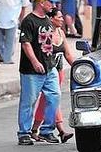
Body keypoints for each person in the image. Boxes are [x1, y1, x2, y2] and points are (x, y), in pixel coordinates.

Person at [16, 0, 62, 145]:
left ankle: (47, 130)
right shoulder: (29, 21)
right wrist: (35, 62)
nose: (53, 5)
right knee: (28, 101)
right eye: (50, 2)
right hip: (31, 71)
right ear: (41, 3)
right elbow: (26, 44)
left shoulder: (48, 21)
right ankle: (24, 132)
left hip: (50, 68)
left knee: (54, 96)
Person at [31, 8, 76, 143]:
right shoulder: (46, 33)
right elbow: (43, 53)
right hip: (48, 71)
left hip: (59, 71)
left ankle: (35, 129)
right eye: (59, 17)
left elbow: (68, 54)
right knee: (51, 99)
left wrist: (79, 67)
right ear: (51, 19)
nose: (62, 19)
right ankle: (60, 130)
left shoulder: (61, 32)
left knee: (49, 100)